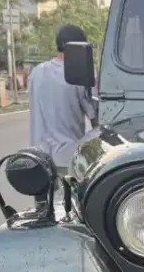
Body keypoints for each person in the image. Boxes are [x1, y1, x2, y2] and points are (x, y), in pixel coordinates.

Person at [28, 24, 98, 174]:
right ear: (80, 48)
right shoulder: (83, 72)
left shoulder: (37, 72)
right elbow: (97, 120)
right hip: (67, 159)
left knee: (46, 197)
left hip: (38, 160)